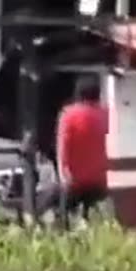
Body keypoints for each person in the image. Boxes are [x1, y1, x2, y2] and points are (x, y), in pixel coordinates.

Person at [55, 74, 109, 221]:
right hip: (99, 179)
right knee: (95, 221)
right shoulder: (105, 114)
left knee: (65, 221)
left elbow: (63, 148)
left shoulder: (69, 115)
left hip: (75, 181)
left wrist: (63, 175)